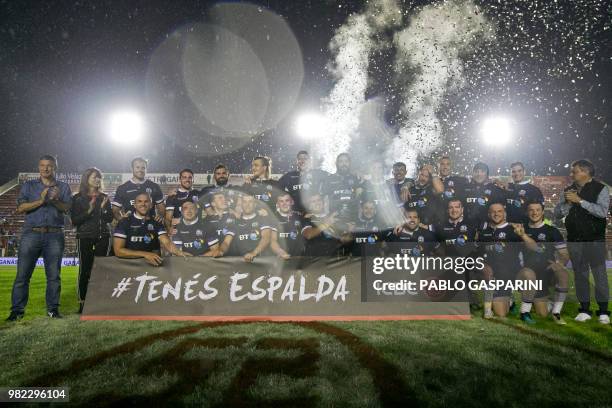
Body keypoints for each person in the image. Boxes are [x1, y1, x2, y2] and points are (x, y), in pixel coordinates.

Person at [7, 155, 72, 321]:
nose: (46, 168)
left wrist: (56, 200)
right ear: (38, 167)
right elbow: (21, 208)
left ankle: (53, 310)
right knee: (22, 276)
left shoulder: (63, 187)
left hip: (55, 234)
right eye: (43, 165)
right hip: (32, 233)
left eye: (49, 166)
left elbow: (66, 208)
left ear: (55, 168)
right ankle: (17, 311)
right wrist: (41, 201)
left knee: (53, 276)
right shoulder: (28, 186)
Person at [554, 159, 610, 324]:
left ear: (586, 172)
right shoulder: (568, 190)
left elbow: (601, 212)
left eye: (575, 171)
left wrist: (580, 201)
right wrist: (567, 203)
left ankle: (603, 311)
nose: (571, 174)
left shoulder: (601, 188)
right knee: (580, 275)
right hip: (574, 240)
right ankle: (584, 309)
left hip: (594, 240)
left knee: (600, 275)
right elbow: (557, 213)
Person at [478, 203, 538, 321]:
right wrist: (483, 265)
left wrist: (523, 235)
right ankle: (510, 301)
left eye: (499, 211)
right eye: (493, 212)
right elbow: (478, 254)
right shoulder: (483, 233)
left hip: (515, 275)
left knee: (528, 274)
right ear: (489, 214)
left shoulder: (514, 229)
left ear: (504, 213)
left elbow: (535, 248)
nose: (496, 214)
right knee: (501, 313)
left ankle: (525, 312)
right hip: (498, 279)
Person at [70, 168, 113, 314]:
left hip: (103, 237)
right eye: (95, 177)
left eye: (99, 177)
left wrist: (102, 209)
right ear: (87, 178)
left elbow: (109, 219)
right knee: (85, 271)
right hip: (84, 237)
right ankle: (82, 304)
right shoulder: (77, 198)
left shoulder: (105, 197)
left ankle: (99, 303)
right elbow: (74, 221)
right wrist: (89, 211)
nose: (97, 180)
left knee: (101, 270)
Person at [113, 193, 190, 266]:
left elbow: (167, 243)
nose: (143, 204)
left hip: (151, 266)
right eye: (139, 201)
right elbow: (118, 250)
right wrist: (145, 254)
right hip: (128, 266)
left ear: (151, 205)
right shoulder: (124, 222)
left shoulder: (156, 222)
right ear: (135, 205)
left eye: (146, 201)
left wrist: (179, 252)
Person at [524, 201, 569, 324]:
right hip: (529, 275)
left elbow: (564, 254)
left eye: (538, 210)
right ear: (527, 212)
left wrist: (560, 263)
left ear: (542, 212)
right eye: (531, 210)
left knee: (563, 274)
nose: (535, 213)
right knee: (542, 313)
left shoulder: (552, 231)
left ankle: (556, 312)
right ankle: (537, 301)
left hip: (547, 271)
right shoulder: (522, 231)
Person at [112, 157, 165, 222]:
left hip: (150, 227)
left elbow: (161, 207)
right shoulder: (122, 188)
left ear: (146, 169)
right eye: (137, 167)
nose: (140, 170)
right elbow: (115, 210)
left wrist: (161, 215)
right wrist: (122, 220)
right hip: (130, 227)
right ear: (132, 169)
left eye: (143, 168)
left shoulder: (154, 186)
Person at [223, 194, 273, 262]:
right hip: (240, 263)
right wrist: (221, 250)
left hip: (259, 262)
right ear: (241, 205)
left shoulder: (262, 219)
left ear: (255, 204)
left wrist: (254, 253)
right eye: (245, 202)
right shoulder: (235, 222)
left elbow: (266, 238)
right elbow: (226, 242)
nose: (247, 204)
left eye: (250, 202)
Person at [277, 150, 328, 215]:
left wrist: (325, 200)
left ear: (309, 161)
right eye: (300, 159)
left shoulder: (318, 173)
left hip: (314, 214)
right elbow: (276, 189)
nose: (302, 161)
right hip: (295, 213)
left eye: (305, 158)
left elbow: (332, 182)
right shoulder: (289, 176)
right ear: (297, 161)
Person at [323, 153, 364, 222]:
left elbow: (360, 201)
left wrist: (359, 218)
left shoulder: (356, 179)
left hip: (353, 220)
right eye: (341, 161)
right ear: (336, 163)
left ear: (350, 163)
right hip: (335, 220)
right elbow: (325, 201)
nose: (344, 164)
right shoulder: (329, 179)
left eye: (346, 161)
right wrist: (327, 218)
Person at [464, 162, 506, 228]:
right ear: (472, 173)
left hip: (487, 230)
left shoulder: (495, 189)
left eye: (482, 171)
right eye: (476, 171)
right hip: (466, 228)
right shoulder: (465, 187)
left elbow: (502, 210)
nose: (479, 174)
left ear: (487, 174)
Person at [301, 193, 345, 257]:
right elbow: (308, 235)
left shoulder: (333, 217)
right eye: (313, 201)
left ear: (324, 203)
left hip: (334, 259)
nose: (317, 203)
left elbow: (344, 239)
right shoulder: (307, 218)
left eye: (319, 200)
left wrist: (348, 231)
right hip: (314, 260)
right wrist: (327, 224)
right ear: (309, 205)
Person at [269, 192, 305, 258]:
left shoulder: (300, 216)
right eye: (281, 201)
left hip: (299, 259)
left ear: (292, 202)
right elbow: (272, 240)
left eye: (287, 200)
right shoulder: (273, 218)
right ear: (277, 204)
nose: (284, 204)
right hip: (281, 258)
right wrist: (280, 251)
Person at [164, 168, 200, 232]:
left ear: (193, 180)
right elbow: (168, 219)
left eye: (190, 177)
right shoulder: (173, 196)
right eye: (184, 177)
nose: (187, 180)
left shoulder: (198, 194)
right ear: (180, 179)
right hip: (180, 232)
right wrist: (170, 230)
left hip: (197, 230)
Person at [202, 192, 236, 257]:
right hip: (213, 260)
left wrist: (220, 252)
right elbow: (214, 248)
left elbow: (226, 242)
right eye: (220, 198)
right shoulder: (206, 221)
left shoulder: (232, 217)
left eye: (224, 198)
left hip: (231, 259)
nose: (224, 200)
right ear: (213, 204)